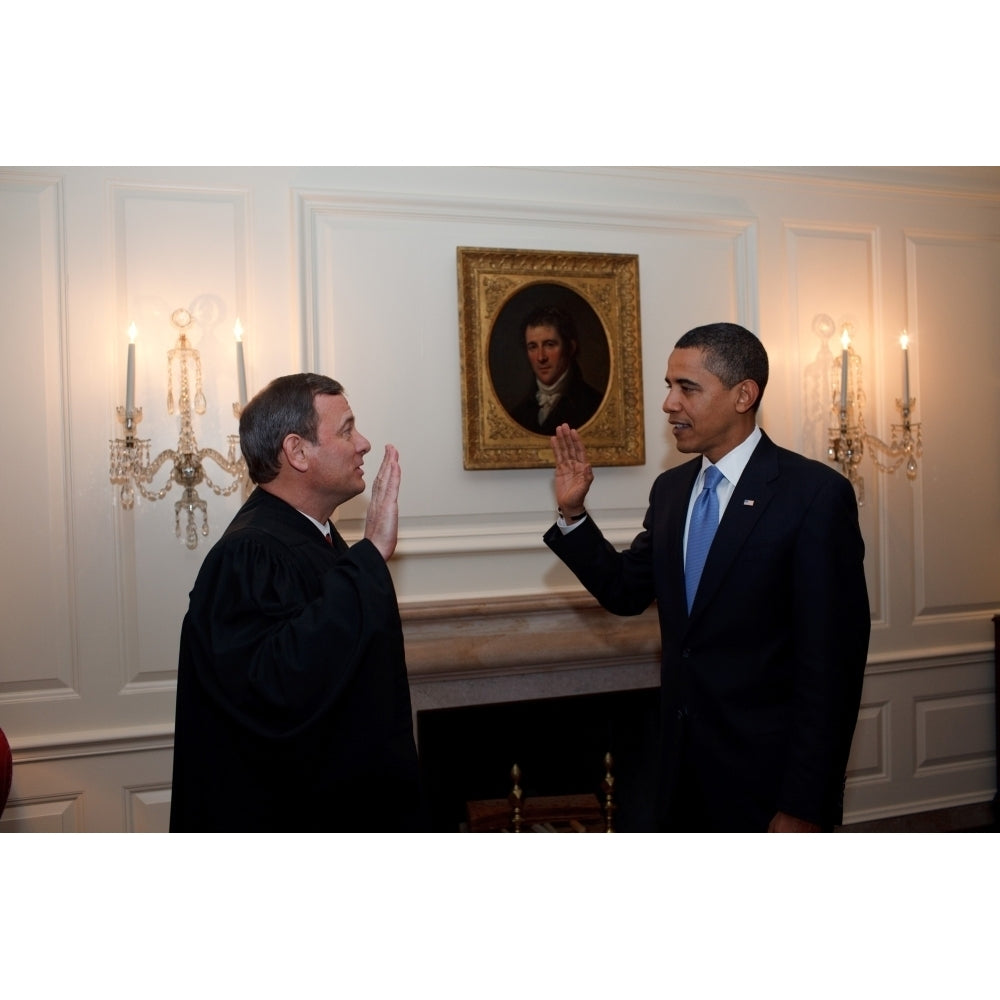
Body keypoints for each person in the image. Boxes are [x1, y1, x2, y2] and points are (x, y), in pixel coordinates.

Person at [544, 322, 870, 832]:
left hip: (770, 786)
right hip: (680, 774)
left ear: (744, 395)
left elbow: (832, 670)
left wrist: (804, 803)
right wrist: (573, 516)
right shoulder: (672, 491)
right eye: (669, 387)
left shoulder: (813, 495)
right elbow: (627, 592)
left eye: (687, 388)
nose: (669, 404)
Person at [169, 373, 426, 832]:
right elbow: (276, 689)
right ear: (297, 451)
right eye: (347, 429)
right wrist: (370, 558)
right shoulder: (249, 554)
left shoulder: (318, 538)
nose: (363, 443)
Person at [508, 305, 604, 435]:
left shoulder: (596, 407)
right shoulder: (516, 415)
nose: (541, 357)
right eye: (533, 347)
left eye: (549, 345)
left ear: (570, 348)